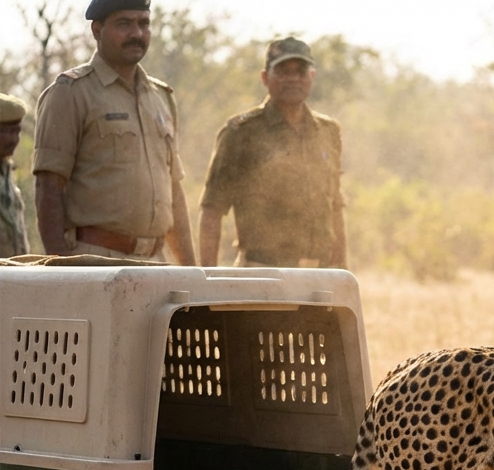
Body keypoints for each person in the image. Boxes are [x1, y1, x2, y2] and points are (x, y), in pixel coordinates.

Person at [31, 0, 194, 264]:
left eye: (144, 23)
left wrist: (191, 271)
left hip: (156, 262)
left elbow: (174, 191)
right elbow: (48, 186)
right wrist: (60, 270)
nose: (137, 34)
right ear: (97, 30)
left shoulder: (161, 96)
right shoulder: (70, 92)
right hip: (95, 261)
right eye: (124, 24)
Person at [199, 37, 346, 269]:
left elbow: (336, 208)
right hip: (262, 271)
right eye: (283, 71)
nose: (293, 78)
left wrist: (341, 271)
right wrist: (207, 280)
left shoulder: (328, 132)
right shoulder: (242, 133)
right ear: (265, 78)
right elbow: (212, 209)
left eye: (300, 71)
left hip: (321, 274)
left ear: (312, 76)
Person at [0, 93, 30, 259]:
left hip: (10, 277)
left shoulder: (7, 171)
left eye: (16, 131)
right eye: (4, 132)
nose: (13, 139)